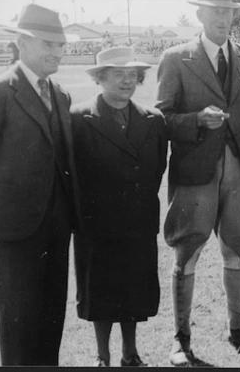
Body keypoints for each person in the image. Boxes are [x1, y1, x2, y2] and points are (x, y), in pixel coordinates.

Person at [155, 0, 240, 366]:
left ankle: (238, 329)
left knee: (236, 245)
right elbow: (161, 118)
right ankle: (180, 337)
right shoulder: (175, 57)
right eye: (216, 10)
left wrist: (237, 129)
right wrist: (197, 120)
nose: (223, 17)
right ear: (199, 14)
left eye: (229, 11)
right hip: (195, 170)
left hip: (239, 167)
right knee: (188, 250)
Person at [0, 3, 79, 365]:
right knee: (17, 324)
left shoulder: (61, 95)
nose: (57, 52)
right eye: (48, 44)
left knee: (51, 317)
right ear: (21, 43)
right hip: (15, 229)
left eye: (60, 45)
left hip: (57, 227)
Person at [71, 47, 167, 367]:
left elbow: (156, 168)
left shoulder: (153, 119)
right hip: (97, 223)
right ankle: (103, 354)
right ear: (100, 78)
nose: (126, 81)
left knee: (133, 289)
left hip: (138, 220)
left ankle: (131, 351)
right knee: (100, 289)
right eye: (117, 74)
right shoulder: (78, 118)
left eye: (132, 75)